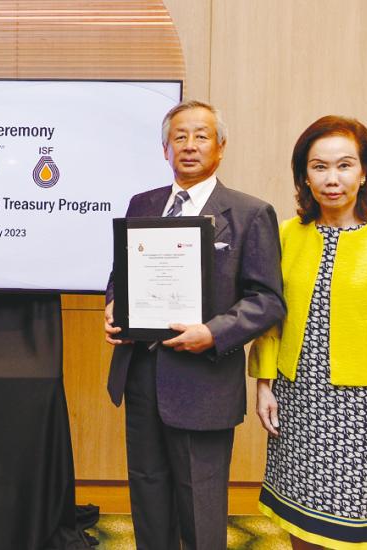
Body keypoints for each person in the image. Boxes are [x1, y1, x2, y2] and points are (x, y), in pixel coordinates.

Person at [103, 99, 286, 548]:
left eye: (201, 136)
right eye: (179, 137)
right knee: (148, 492)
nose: (189, 146)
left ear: (220, 147)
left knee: (200, 502)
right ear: (165, 149)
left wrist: (214, 332)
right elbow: (119, 275)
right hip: (142, 375)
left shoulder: (248, 213)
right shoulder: (142, 203)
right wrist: (113, 306)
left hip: (203, 382)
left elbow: (267, 300)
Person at [248, 116, 367, 549]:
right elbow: (273, 318)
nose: (332, 179)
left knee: (351, 529)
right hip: (297, 398)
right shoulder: (287, 236)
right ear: (304, 175)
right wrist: (264, 383)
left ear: (365, 171)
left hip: (361, 406)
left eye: (345, 165)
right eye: (319, 167)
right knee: (299, 518)